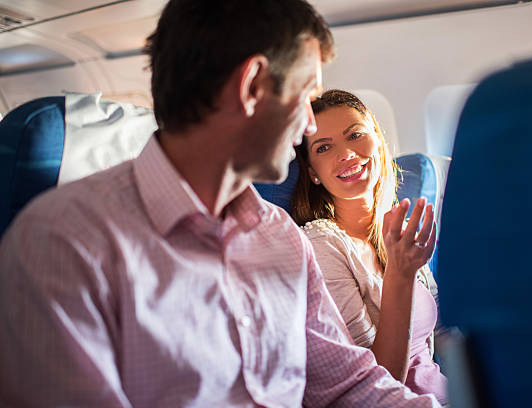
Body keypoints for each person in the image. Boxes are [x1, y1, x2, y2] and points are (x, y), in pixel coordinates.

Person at [0, 1, 441, 407]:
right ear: (251, 86)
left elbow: (349, 385)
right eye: (305, 98)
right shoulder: (64, 243)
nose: (309, 125)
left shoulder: (281, 236)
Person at [292, 89, 448, 405]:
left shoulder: (399, 230)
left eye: (355, 135)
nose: (347, 153)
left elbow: (435, 344)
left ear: (377, 139)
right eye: (324, 148)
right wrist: (399, 276)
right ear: (313, 174)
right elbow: (375, 384)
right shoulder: (322, 246)